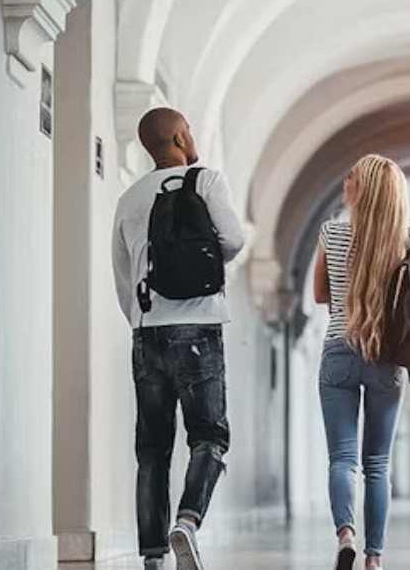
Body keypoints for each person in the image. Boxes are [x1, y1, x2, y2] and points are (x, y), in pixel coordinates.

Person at [112, 107, 246, 570]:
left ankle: (151, 555)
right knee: (209, 436)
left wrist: (143, 320)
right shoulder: (205, 181)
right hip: (200, 328)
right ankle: (187, 521)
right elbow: (234, 240)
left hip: (147, 333)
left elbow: (122, 278)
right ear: (180, 137)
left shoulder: (128, 198)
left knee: (152, 447)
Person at [313, 154, 410, 570]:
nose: (344, 181)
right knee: (377, 465)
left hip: (338, 349)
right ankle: (373, 559)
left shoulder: (331, 232)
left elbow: (320, 295)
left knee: (342, 458)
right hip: (385, 357)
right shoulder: (403, 240)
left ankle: (345, 535)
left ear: (362, 189)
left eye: (350, 176)